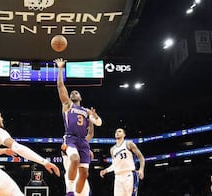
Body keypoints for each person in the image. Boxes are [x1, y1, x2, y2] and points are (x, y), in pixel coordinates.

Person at [54, 58, 102, 196]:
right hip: (70, 139)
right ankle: (69, 190)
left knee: (84, 174)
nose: (73, 93)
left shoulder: (87, 111)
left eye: (76, 92)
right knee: (74, 160)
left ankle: (78, 193)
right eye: (71, 93)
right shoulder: (68, 106)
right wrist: (60, 68)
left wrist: (95, 117)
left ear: (80, 96)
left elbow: (97, 125)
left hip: (82, 141)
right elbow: (60, 87)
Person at [100, 128, 145, 196]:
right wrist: (106, 170)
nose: (117, 133)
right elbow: (115, 165)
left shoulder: (129, 144)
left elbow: (141, 157)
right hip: (118, 177)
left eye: (120, 131)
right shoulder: (112, 149)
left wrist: (141, 169)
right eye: (116, 132)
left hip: (129, 175)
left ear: (124, 134)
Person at [62, 121, 94, 196]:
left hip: (82, 179)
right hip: (71, 177)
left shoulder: (83, 144)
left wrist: (91, 120)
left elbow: (90, 134)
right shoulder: (67, 143)